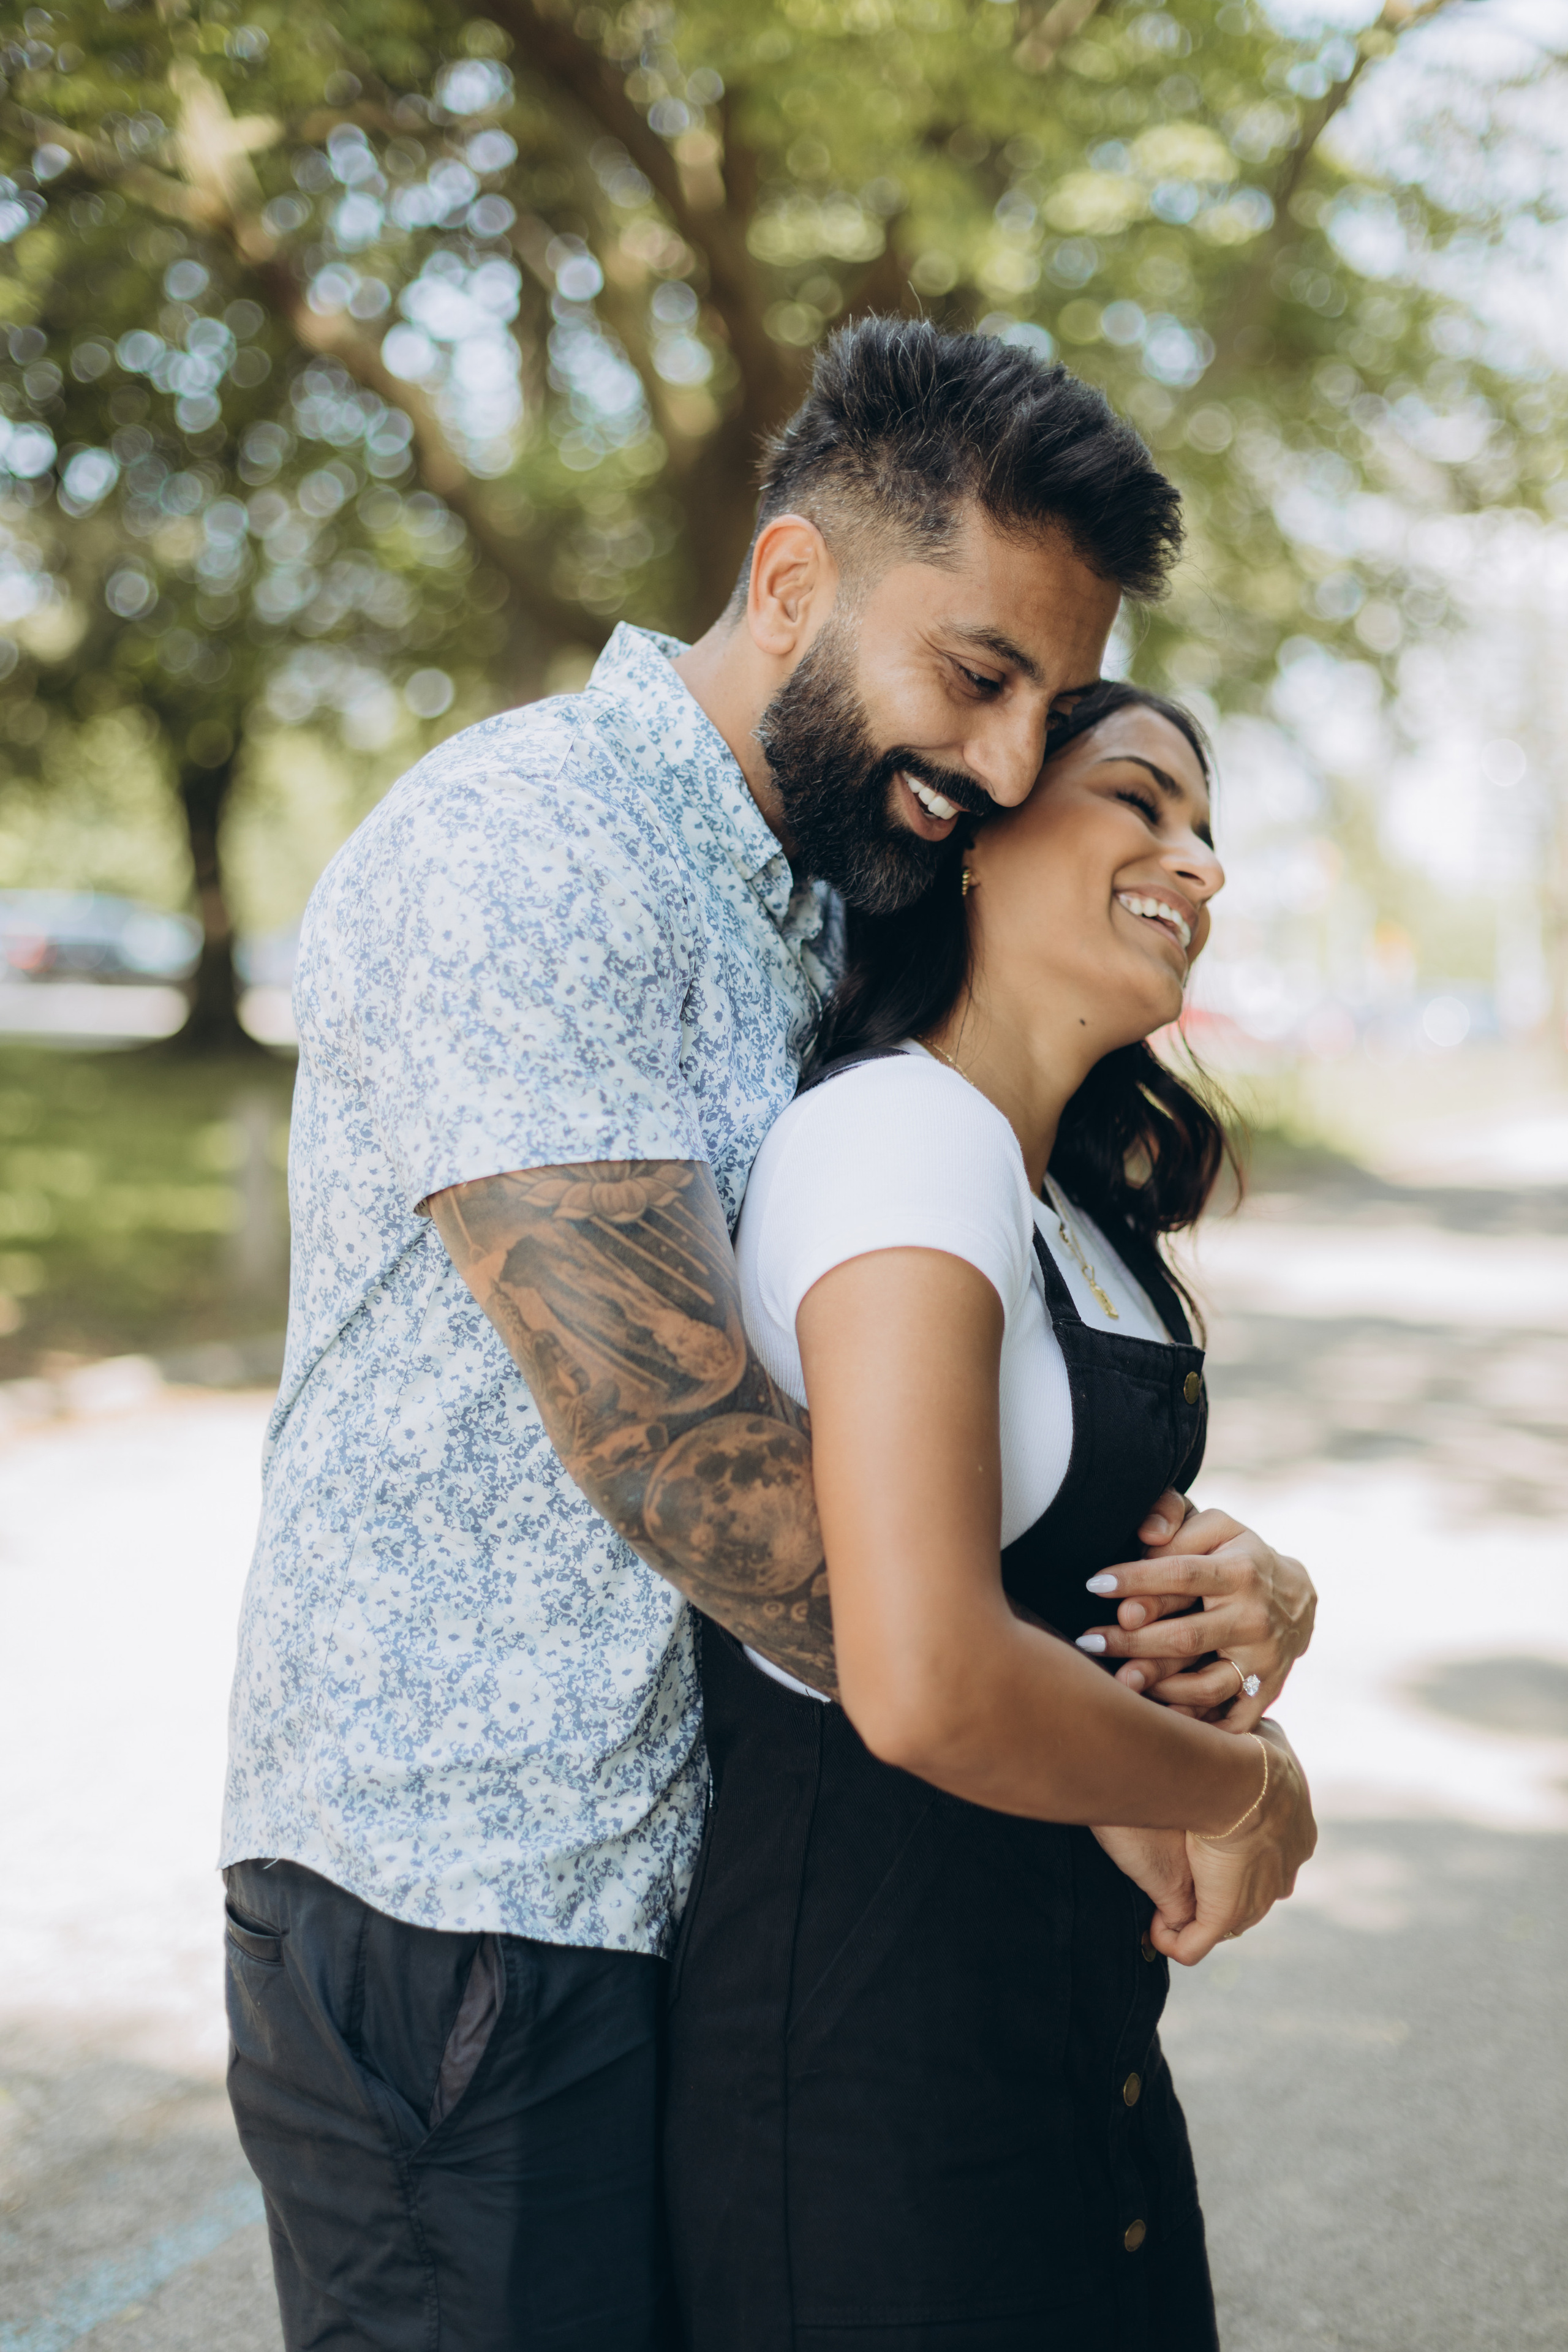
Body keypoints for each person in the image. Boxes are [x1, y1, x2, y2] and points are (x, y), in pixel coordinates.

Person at [219, 320, 1308, 2351]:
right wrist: (1138, 1760)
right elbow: (681, 1451)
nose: (1008, 764)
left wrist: (1204, 1594)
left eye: (1050, 704)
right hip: (466, 1908)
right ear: (794, 580)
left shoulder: (825, 889)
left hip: (695, 1903)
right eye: (976, 675)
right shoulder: (529, 850)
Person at [663, 681, 1317, 2352]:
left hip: (1077, 2052)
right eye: (1141, 801)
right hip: (876, 2097)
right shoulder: (900, 1137)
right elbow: (934, 1681)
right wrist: (1245, 1787)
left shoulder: (1067, 1200)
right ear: (975, 840)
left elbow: (1063, 1561)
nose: (1201, 865)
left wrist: (1256, 1594)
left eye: (1208, 830)